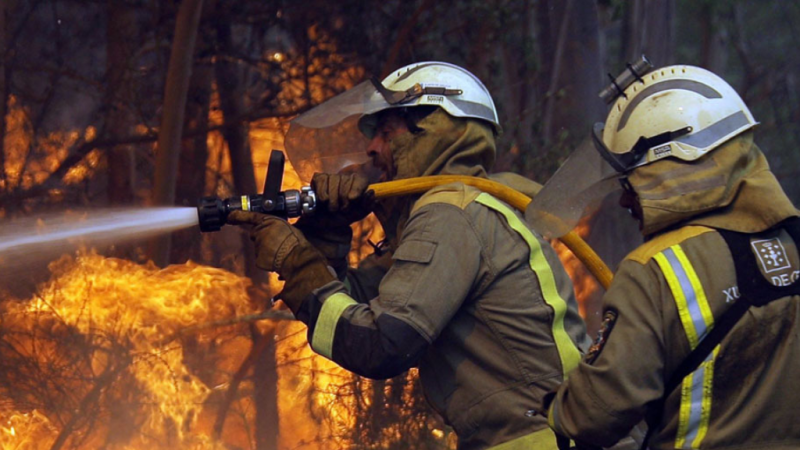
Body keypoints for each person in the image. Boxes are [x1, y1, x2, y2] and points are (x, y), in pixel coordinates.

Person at [229, 61, 589, 449]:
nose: (371, 148)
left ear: (435, 130)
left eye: (386, 133)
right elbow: (354, 307)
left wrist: (295, 260)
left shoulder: (451, 215)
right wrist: (326, 232)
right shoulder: (468, 209)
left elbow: (380, 344)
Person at [539, 64, 800, 449]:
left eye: (632, 182)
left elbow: (592, 416)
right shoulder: (793, 242)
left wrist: (555, 408)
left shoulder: (654, 270)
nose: (625, 200)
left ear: (673, 167)